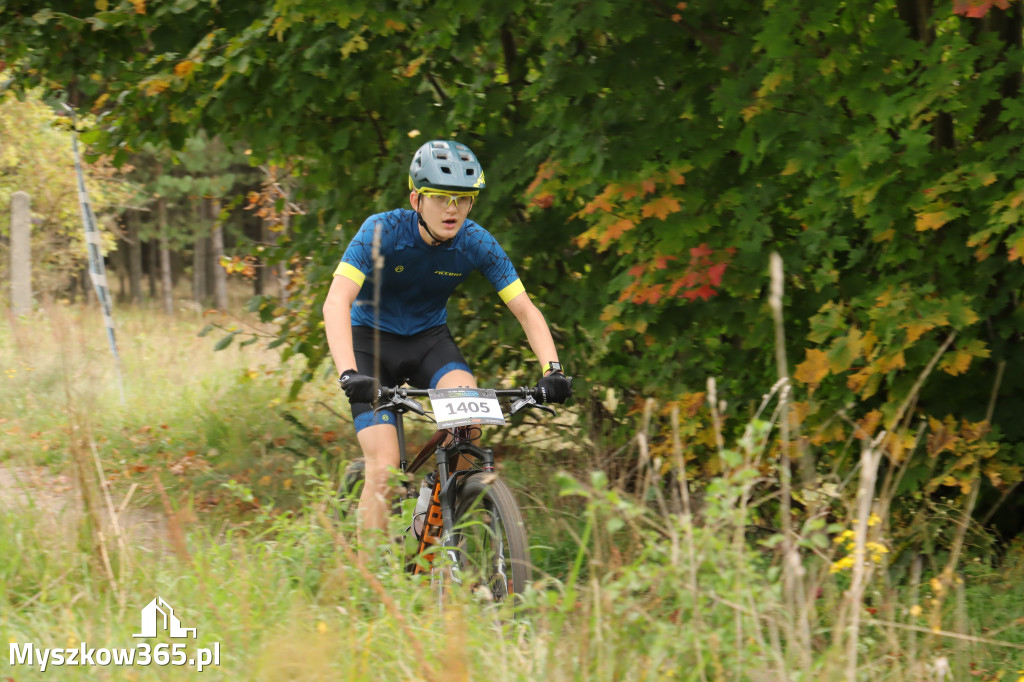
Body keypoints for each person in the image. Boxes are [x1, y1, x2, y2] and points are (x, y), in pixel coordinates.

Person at [322, 139, 573, 547]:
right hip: (370, 346)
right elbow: (336, 302)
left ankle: (430, 530)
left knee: (468, 430)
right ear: (416, 199)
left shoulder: (477, 242)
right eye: (440, 198)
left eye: (462, 198)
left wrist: (553, 370)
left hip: (429, 343)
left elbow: (526, 310)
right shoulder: (381, 230)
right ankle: (364, 586)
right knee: (384, 471)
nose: (452, 209)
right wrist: (349, 372)